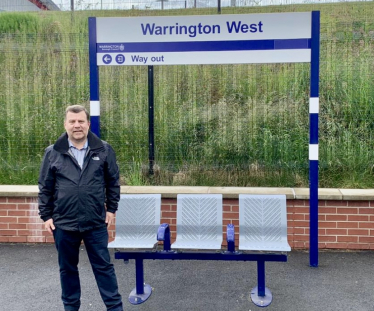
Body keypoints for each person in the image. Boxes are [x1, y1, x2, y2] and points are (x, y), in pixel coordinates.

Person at [38, 105, 123, 311]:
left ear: (88, 124)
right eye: (72, 122)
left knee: (104, 268)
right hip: (63, 224)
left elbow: (113, 182)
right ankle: (71, 308)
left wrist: (111, 209)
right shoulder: (53, 152)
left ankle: (114, 308)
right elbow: (45, 186)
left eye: (81, 121)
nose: (77, 125)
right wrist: (46, 215)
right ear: (65, 124)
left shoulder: (103, 150)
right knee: (67, 270)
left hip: (95, 222)